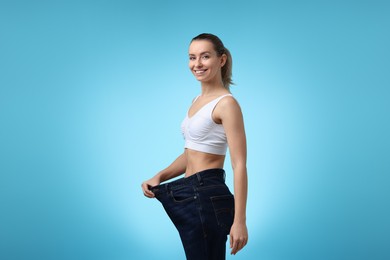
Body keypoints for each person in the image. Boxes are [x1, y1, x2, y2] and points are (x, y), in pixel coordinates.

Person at [141, 33, 248, 260]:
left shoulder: (227, 104)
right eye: (192, 57)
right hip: (191, 193)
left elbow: (239, 165)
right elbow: (191, 153)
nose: (197, 64)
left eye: (205, 56)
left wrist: (240, 221)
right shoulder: (196, 102)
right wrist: (160, 175)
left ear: (222, 60)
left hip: (206, 194)